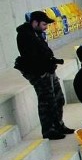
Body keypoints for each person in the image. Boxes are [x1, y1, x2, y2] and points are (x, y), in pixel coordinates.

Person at [14, 11, 72, 140]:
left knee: (58, 99)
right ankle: (49, 130)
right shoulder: (25, 35)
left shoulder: (36, 33)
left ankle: (58, 125)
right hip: (39, 73)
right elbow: (32, 57)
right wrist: (45, 68)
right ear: (34, 22)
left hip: (47, 70)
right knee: (46, 102)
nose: (46, 27)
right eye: (44, 24)